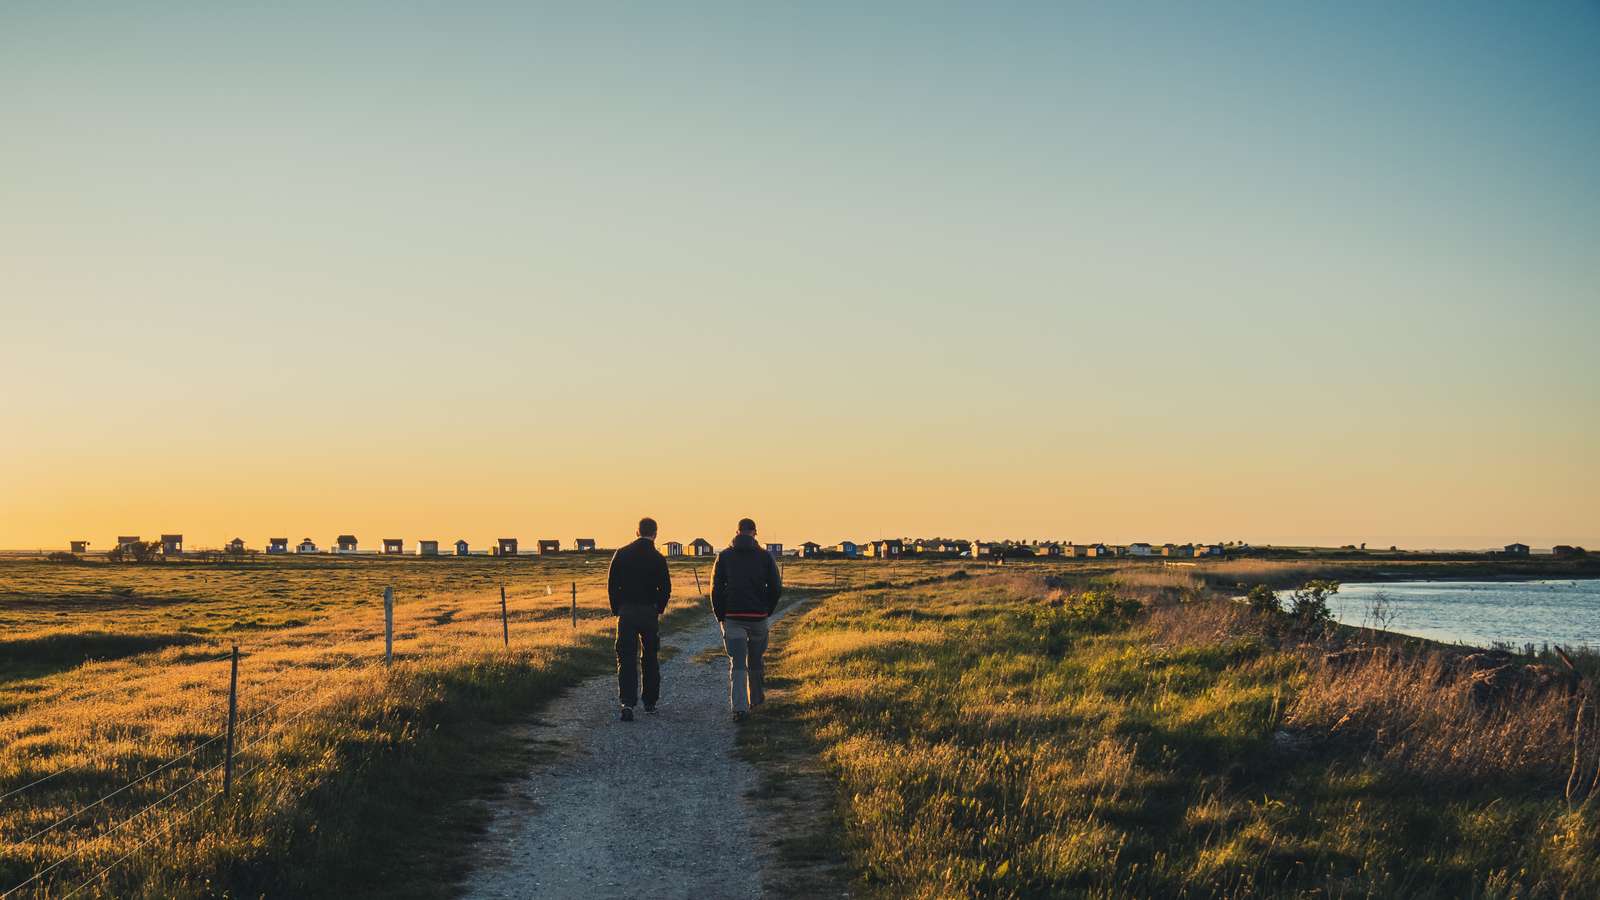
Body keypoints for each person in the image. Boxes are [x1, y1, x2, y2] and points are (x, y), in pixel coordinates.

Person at [710, 517, 782, 722]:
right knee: (756, 660)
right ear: (755, 533)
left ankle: (740, 709)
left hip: (732, 618)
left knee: (738, 663)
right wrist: (767, 610)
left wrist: (720, 615)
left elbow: (715, 589)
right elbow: (776, 588)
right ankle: (757, 701)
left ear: (737, 532)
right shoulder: (765, 557)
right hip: (758, 617)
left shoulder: (724, 556)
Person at [607, 517, 671, 722]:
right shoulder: (658, 558)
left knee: (626, 657)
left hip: (626, 612)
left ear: (637, 532)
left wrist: (617, 608)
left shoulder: (622, 554)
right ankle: (650, 702)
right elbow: (666, 588)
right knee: (650, 656)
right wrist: (658, 608)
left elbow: (612, 584)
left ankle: (627, 703)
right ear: (655, 533)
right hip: (648, 612)